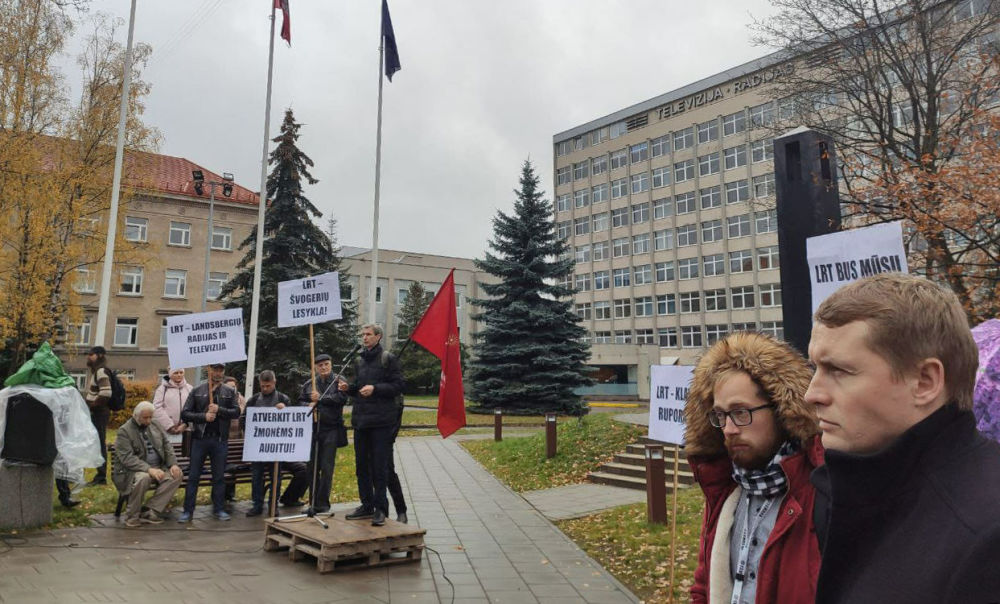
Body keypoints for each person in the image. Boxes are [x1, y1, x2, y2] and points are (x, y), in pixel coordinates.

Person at [806, 273, 1000, 603]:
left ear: (924, 382)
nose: (812, 394)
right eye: (815, 369)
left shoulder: (986, 534)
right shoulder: (843, 492)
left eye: (838, 370)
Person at [685, 331, 821, 604]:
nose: (729, 429)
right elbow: (703, 585)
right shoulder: (725, 491)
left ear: (781, 409)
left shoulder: (820, 492)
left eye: (740, 412)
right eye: (721, 415)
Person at [338, 324, 404, 526]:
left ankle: (380, 509)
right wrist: (349, 388)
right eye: (363, 334)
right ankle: (366, 505)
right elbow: (359, 387)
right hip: (361, 421)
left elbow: (399, 385)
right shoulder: (359, 360)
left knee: (380, 468)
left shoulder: (388, 359)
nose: (364, 338)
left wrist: (375, 389)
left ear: (378, 336)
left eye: (368, 334)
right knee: (361, 466)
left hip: (382, 422)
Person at [178, 363, 240, 522]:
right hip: (200, 439)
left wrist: (219, 409)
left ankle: (219, 509)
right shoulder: (197, 391)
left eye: (220, 370)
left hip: (219, 440)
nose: (217, 373)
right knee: (193, 476)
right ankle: (187, 511)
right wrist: (203, 417)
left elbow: (236, 412)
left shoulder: (229, 391)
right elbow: (185, 413)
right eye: (215, 369)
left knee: (219, 477)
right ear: (209, 370)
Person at [244, 370, 309, 516]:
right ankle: (257, 505)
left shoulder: (282, 399)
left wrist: (284, 411)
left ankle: (273, 505)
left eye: (268, 386)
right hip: (258, 447)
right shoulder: (254, 400)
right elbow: (244, 420)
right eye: (262, 386)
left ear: (274, 383)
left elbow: (290, 422)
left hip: (276, 447)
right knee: (257, 477)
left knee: (276, 477)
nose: (265, 389)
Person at [112, 401, 183, 527]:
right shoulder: (125, 431)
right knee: (143, 478)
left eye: (151, 417)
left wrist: (173, 464)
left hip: (158, 468)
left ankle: (150, 510)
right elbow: (127, 459)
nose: (149, 420)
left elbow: (167, 445)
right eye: (145, 418)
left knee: (175, 475)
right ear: (136, 416)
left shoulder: (155, 424)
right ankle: (132, 516)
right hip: (131, 471)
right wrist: (149, 469)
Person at [299, 354, 348, 514]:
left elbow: (341, 399)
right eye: (320, 365)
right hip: (313, 430)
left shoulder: (339, 381)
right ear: (315, 368)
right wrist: (309, 404)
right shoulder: (309, 384)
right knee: (312, 467)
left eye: (326, 364)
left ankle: (323, 503)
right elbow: (300, 401)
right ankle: (313, 503)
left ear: (331, 364)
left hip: (331, 429)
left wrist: (321, 398)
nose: (324, 367)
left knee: (327, 467)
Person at [84, 345, 112, 486]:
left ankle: (101, 477)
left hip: (100, 413)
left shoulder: (101, 371)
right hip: (99, 412)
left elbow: (106, 393)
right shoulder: (97, 371)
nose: (89, 357)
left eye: (91, 354)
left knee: (100, 443)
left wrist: (93, 405)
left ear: (100, 355)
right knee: (97, 442)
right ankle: (99, 475)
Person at [152, 368, 191, 444]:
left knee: (183, 454)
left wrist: (185, 424)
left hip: (185, 431)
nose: (179, 375)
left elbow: (193, 409)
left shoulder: (189, 388)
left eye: (181, 372)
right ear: (170, 374)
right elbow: (157, 408)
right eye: (176, 373)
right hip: (165, 431)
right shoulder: (162, 389)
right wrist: (169, 426)